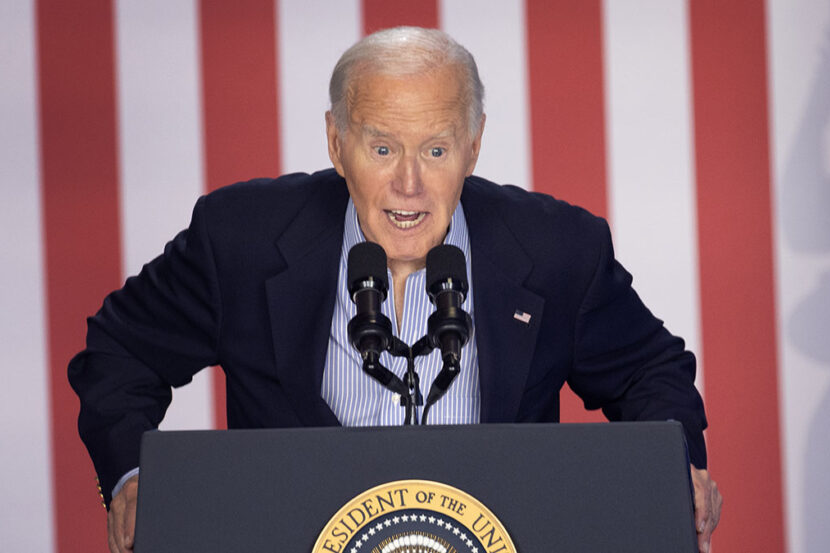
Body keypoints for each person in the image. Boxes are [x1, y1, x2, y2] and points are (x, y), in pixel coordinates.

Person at [68, 26, 722, 553]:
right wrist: (130, 476)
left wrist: (678, 471)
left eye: (435, 151)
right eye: (382, 149)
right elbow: (121, 351)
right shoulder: (239, 239)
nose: (409, 185)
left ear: (473, 145)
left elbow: (649, 372)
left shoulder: (556, 249)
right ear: (336, 141)